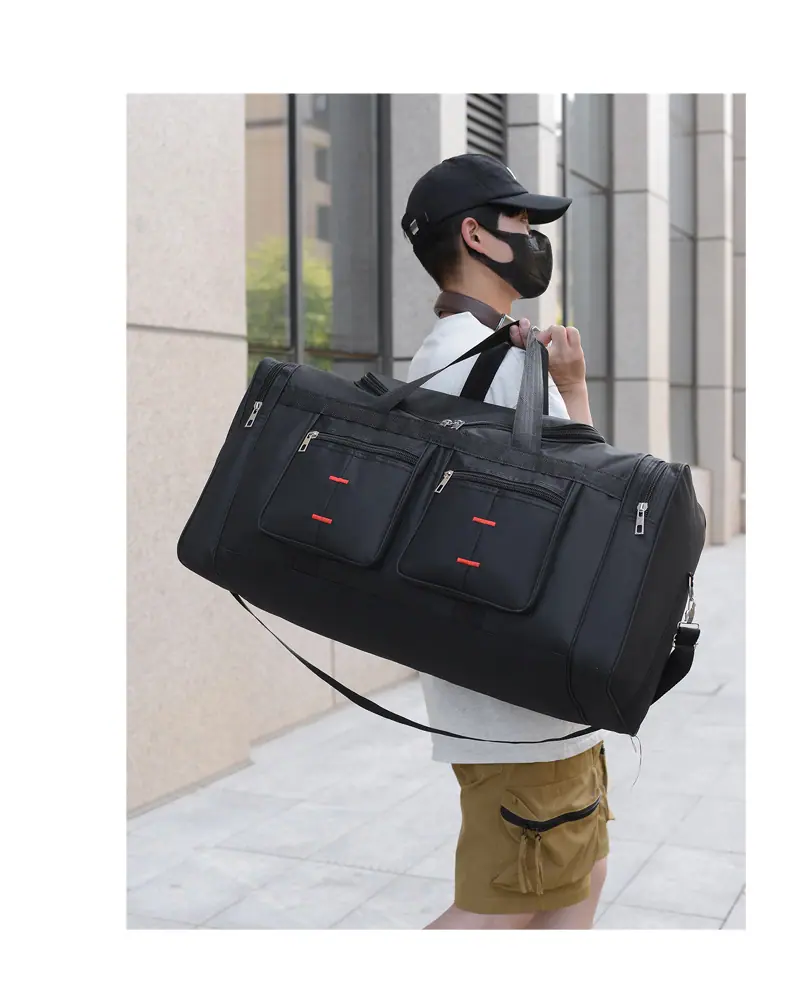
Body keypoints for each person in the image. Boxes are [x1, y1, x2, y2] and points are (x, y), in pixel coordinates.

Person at [401, 153, 613, 930]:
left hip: (524, 691)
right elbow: (587, 503)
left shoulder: (471, 353)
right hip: (522, 699)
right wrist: (574, 392)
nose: (531, 237)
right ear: (476, 236)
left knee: (573, 882)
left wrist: (564, 384)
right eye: (519, 220)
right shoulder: (483, 364)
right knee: (501, 912)